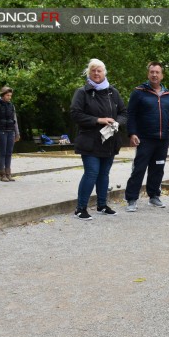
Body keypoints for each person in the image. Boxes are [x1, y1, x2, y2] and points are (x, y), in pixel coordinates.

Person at [70, 58, 128, 220]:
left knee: (104, 174)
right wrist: (98, 120)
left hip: (109, 140)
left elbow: (124, 113)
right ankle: (80, 208)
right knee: (92, 173)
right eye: (93, 70)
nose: (96, 73)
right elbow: (75, 114)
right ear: (89, 72)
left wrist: (118, 122)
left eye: (99, 70)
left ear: (105, 73)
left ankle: (102, 205)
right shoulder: (82, 92)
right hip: (89, 141)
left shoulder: (113, 92)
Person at [125, 61, 169, 212]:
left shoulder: (167, 94)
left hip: (163, 139)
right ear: (148, 74)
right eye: (152, 72)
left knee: (158, 169)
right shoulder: (139, 92)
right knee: (139, 168)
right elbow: (131, 114)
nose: (154, 75)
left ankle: (154, 196)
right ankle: (131, 198)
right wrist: (132, 133)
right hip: (145, 138)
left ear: (162, 75)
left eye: (157, 72)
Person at [0, 86, 20, 182]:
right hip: (1, 132)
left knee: (9, 153)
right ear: (2, 95)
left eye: (10, 95)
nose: (9, 97)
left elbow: (14, 120)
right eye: (7, 95)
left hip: (11, 131)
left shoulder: (11, 105)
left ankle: (8, 173)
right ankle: (2, 174)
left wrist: (17, 133)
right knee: (2, 153)